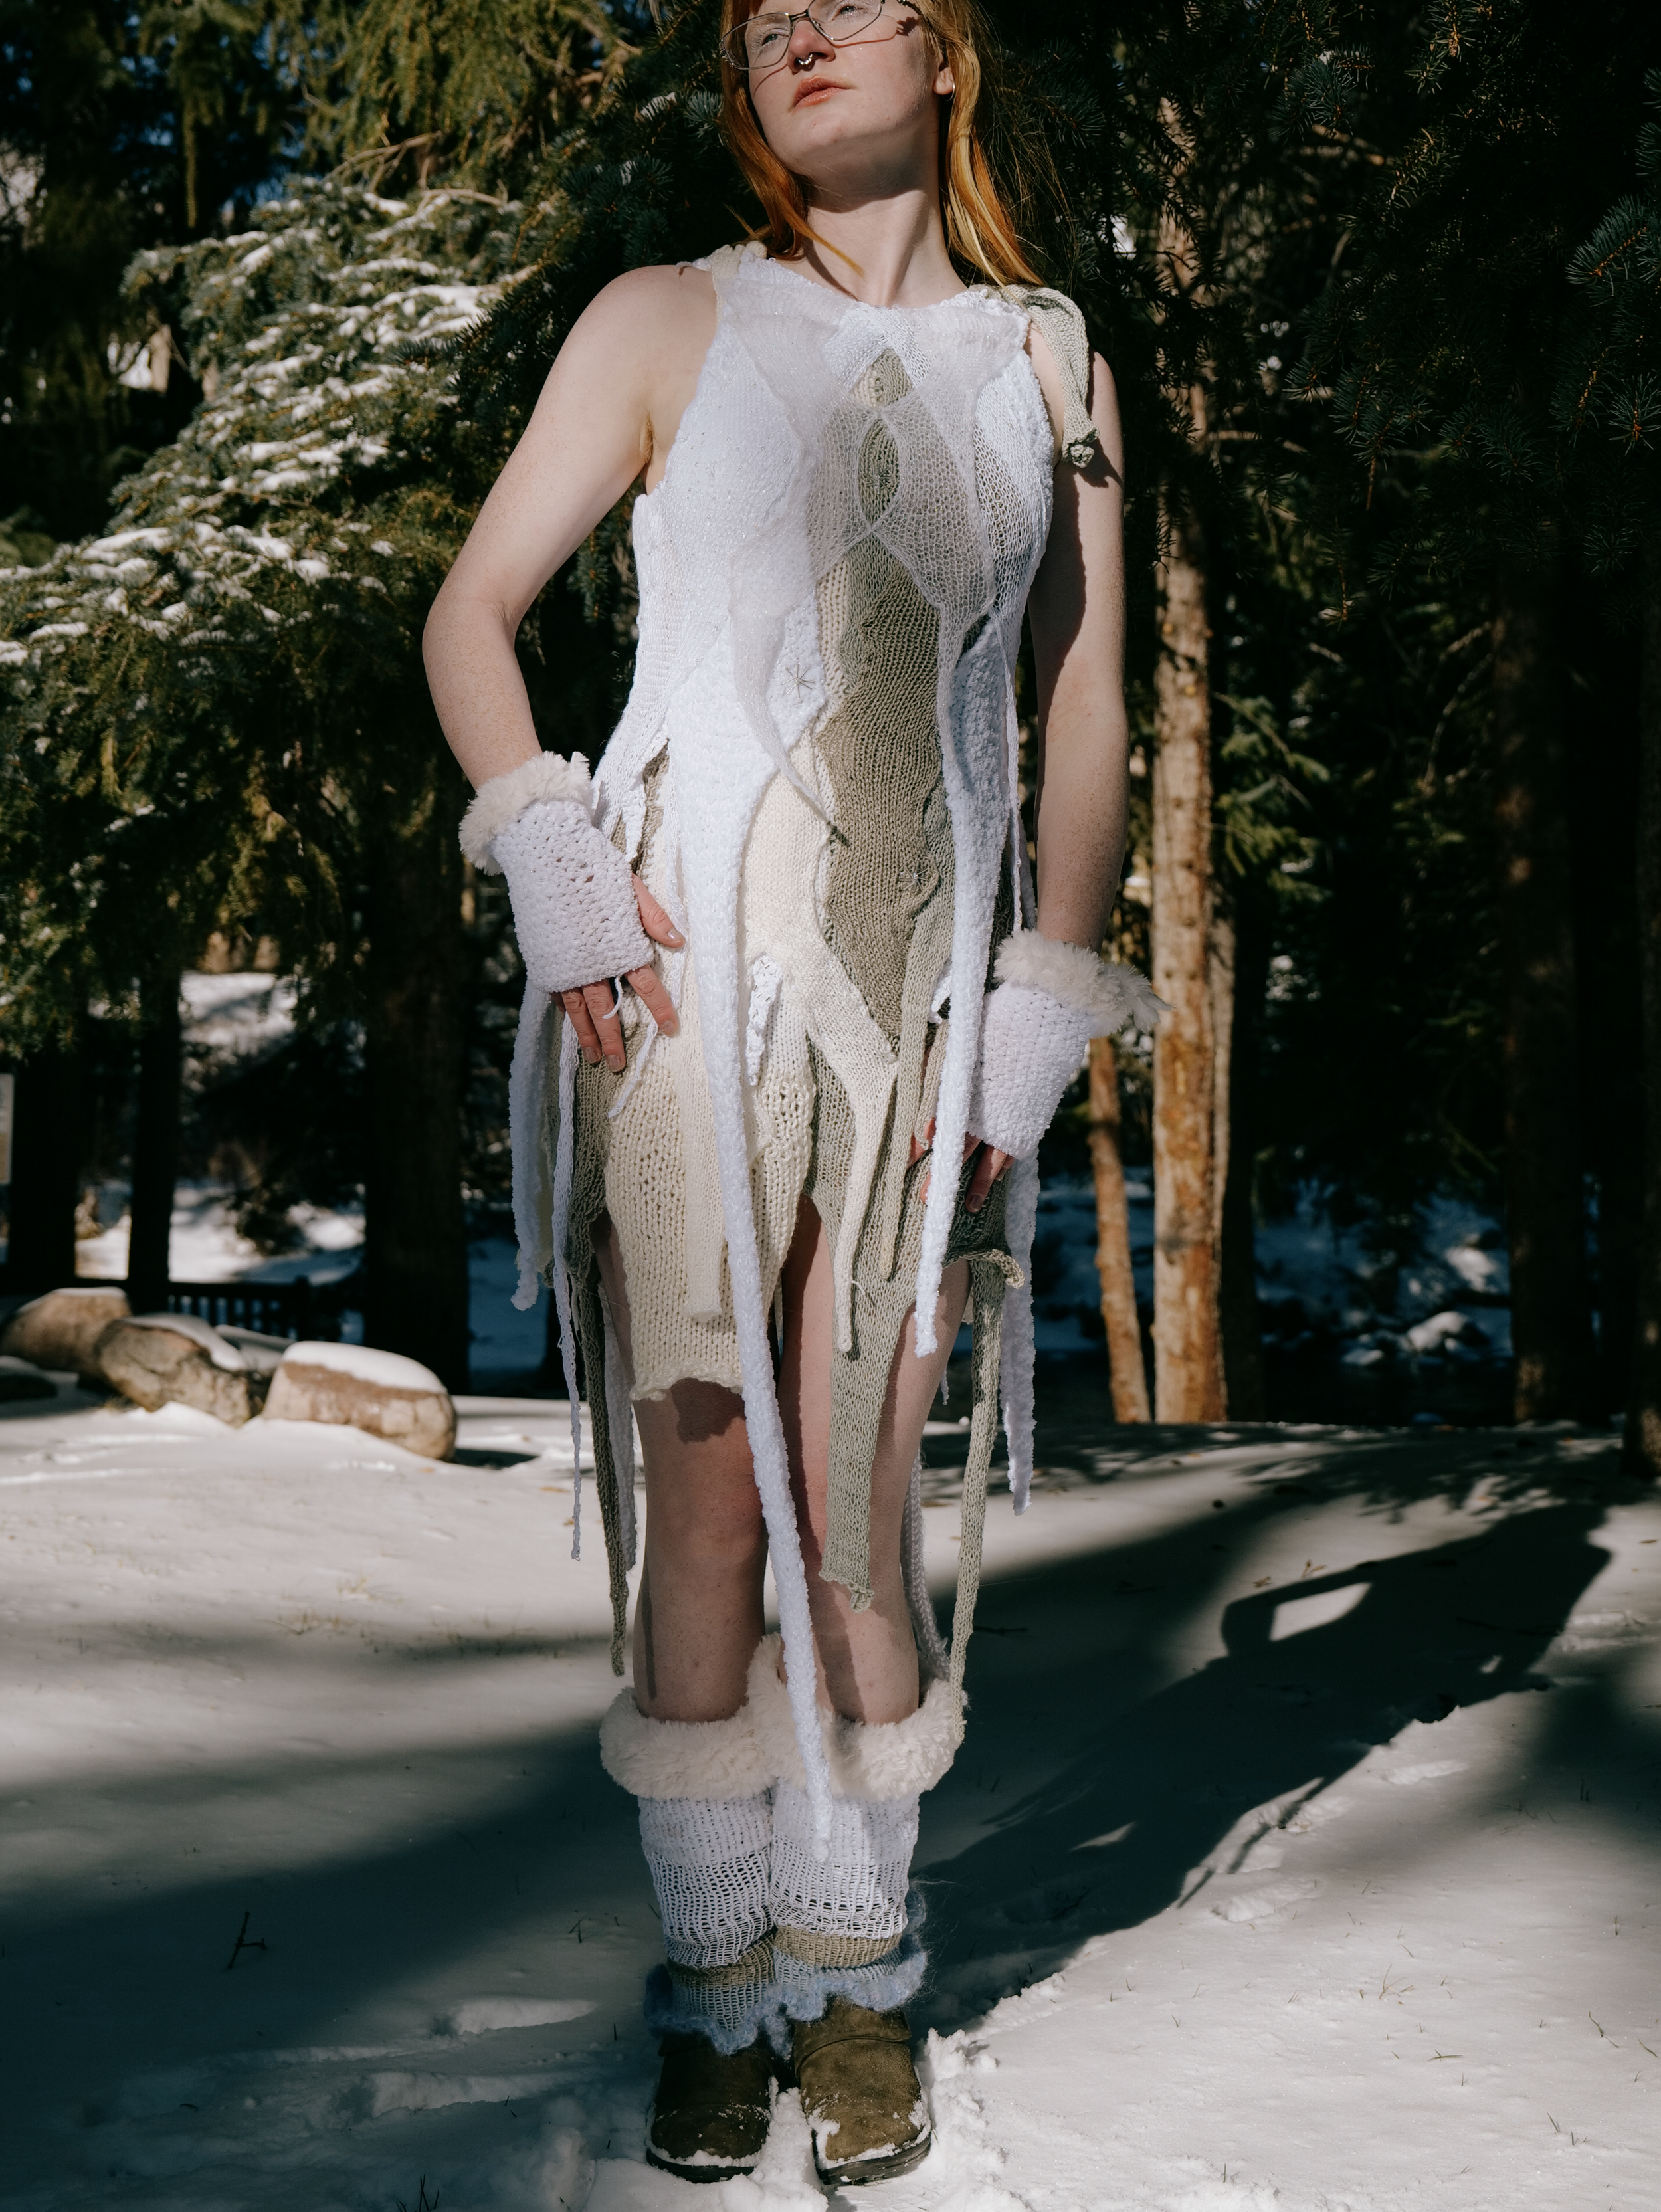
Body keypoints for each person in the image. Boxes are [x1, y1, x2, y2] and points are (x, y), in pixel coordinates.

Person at [425, 0, 1155, 2185]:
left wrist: (1043, 988)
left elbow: (1085, 703)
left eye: (840, 4)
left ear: (949, 50)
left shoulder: (1050, 355)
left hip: (920, 1003)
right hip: (681, 993)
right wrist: (551, 853)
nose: (796, 40)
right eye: (761, 27)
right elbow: (472, 615)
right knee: (712, 1496)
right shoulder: (664, 318)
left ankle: (856, 1978)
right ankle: (716, 1985)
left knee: (857, 1488)